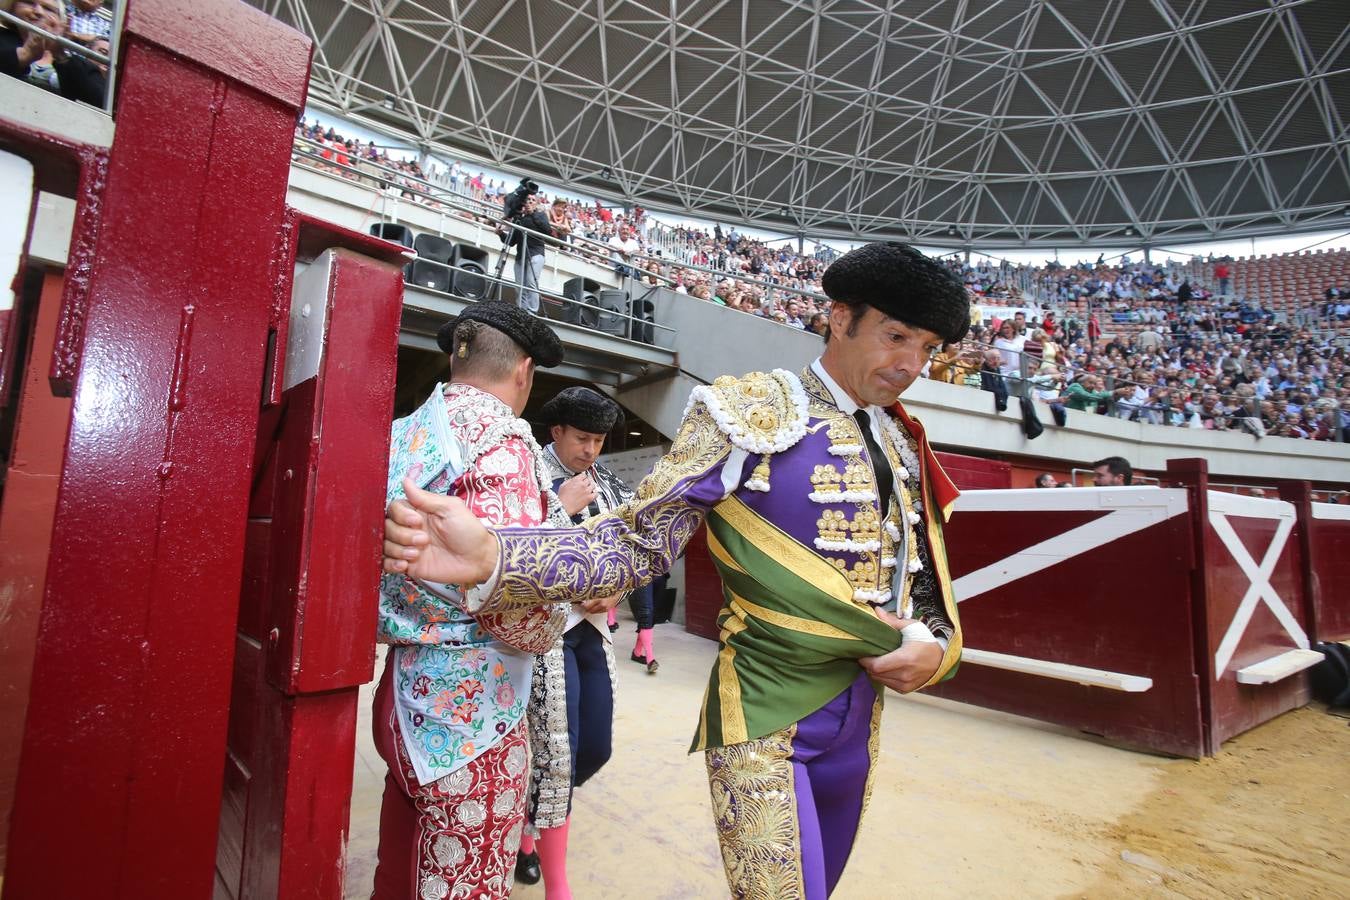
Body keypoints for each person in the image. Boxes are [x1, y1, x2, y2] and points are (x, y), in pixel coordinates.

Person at [382, 242, 967, 899]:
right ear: (839, 317)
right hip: (767, 713)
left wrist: (934, 648)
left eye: (929, 348)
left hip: (861, 722)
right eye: (896, 337)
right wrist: (499, 558)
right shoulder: (748, 411)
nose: (912, 365)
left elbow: (921, 580)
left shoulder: (899, 439)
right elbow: (638, 542)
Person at [373, 302, 572, 899]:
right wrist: (556, 620)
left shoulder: (402, 432)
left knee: (401, 869)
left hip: (401, 690)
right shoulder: (503, 440)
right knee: (469, 883)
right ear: (524, 372)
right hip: (473, 714)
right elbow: (515, 605)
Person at [516, 387, 655, 900]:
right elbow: (503, 550)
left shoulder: (611, 486)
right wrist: (557, 505)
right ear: (556, 432)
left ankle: (530, 828)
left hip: (592, 632)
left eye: (598, 440)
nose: (591, 450)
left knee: (593, 748)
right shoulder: (526, 477)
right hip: (544, 632)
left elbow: (630, 558)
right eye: (582, 438)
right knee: (558, 752)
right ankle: (556, 884)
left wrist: (616, 591)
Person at [507, 193, 550, 314]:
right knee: (519, 285)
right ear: (524, 203)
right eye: (528, 199)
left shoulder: (540, 215)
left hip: (535, 253)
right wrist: (500, 234)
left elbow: (547, 230)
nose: (530, 201)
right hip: (521, 255)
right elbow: (512, 241)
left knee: (531, 282)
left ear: (536, 203)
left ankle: (532, 311)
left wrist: (533, 214)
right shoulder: (519, 219)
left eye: (533, 200)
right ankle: (522, 310)